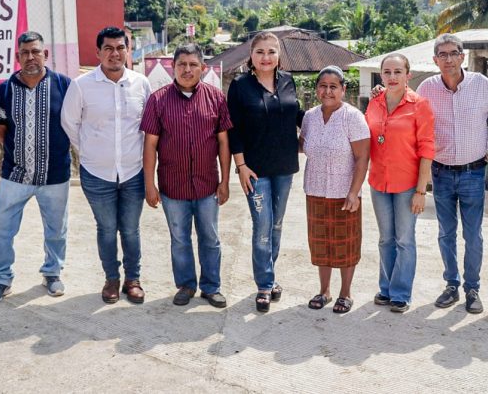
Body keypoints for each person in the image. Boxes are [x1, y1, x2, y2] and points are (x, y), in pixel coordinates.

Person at [417, 33, 488, 314]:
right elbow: (410, 115)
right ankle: (451, 285)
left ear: (462, 57)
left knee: (473, 235)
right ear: (435, 60)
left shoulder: (480, 84)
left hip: (473, 172)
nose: (448, 59)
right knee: (446, 233)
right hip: (441, 172)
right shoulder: (426, 89)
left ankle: (473, 288)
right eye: (442, 55)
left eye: (453, 53)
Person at [61, 26, 152, 304]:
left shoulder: (141, 83)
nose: (115, 53)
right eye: (109, 48)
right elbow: (69, 123)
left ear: (128, 50)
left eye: (120, 48)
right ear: (98, 52)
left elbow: (148, 127)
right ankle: (111, 279)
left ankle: (132, 279)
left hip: (133, 172)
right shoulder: (81, 85)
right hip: (97, 174)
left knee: (131, 229)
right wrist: (88, 152)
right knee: (106, 228)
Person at [141, 44, 233, 308]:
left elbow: (224, 143)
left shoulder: (216, 98)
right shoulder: (158, 100)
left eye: (193, 65)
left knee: (210, 238)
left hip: (207, 186)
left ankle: (211, 287)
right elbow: (150, 145)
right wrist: (150, 184)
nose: (188, 70)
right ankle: (186, 285)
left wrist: (225, 181)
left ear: (203, 68)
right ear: (173, 67)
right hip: (173, 187)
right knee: (180, 239)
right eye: (182, 64)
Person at [0, 31, 71, 305]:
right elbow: (1, 130)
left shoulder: (64, 85)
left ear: (46, 54)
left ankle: (52, 273)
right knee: (0, 226)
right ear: (18, 57)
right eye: (25, 52)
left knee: (56, 229)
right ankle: (0, 278)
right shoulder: (4, 89)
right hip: (15, 174)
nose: (31, 57)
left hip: (55, 175)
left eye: (36, 51)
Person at [227, 31, 302, 313]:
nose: (266, 57)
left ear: (279, 55)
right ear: (251, 55)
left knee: (277, 225)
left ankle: (270, 276)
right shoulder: (240, 85)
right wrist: (241, 166)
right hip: (255, 171)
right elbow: (232, 128)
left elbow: (297, 114)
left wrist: (331, 115)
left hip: (284, 167)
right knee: (262, 227)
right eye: (260, 52)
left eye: (271, 52)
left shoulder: (287, 81)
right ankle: (264, 285)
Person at [365, 54, 435, 313]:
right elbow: (366, 137)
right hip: (378, 183)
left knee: (405, 239)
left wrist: (421, 191)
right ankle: (385, 288)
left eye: (398, 72)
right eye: (387, 72)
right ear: (381, 75)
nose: (392, 77)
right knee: (386, 238)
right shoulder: (374, 103)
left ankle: (401, 293)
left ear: (408, 75)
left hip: (407, 185)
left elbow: (427, 149)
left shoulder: (420, 105)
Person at [300, 66, 370, 314]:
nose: (327, 91)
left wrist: (354, 192)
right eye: (323, 86)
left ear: (342, 89)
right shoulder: (309, 117)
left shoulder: (353, 117)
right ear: (316, 89)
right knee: (321, 244)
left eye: (333, 86)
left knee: (345, 244)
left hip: (344, 192)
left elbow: (362, 158)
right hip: (316, 189)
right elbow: (301, 146)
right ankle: (324, 291)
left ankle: (345, 293)